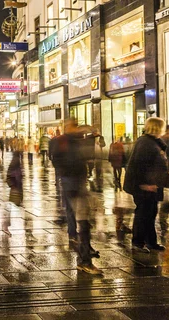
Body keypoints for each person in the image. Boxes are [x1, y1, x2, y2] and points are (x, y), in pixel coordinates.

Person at [53, 118, 102, 275]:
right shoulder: (63, 141)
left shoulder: (75, 140)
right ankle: (84, 259)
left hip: (78, 183)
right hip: (72, 184)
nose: (75, 129)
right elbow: (59, 160)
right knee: (83, 221)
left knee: (84, 221)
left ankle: (84, 252)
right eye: (73, 126)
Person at [124, 117, 169, 253]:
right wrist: (143, 184)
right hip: (144, 186)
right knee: (143, 213)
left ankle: (151, 242)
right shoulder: (145, 143)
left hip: (152, 185)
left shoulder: (154, 142)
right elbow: (138, 165)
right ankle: (137, 243)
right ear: (157, 127)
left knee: (151, 213)